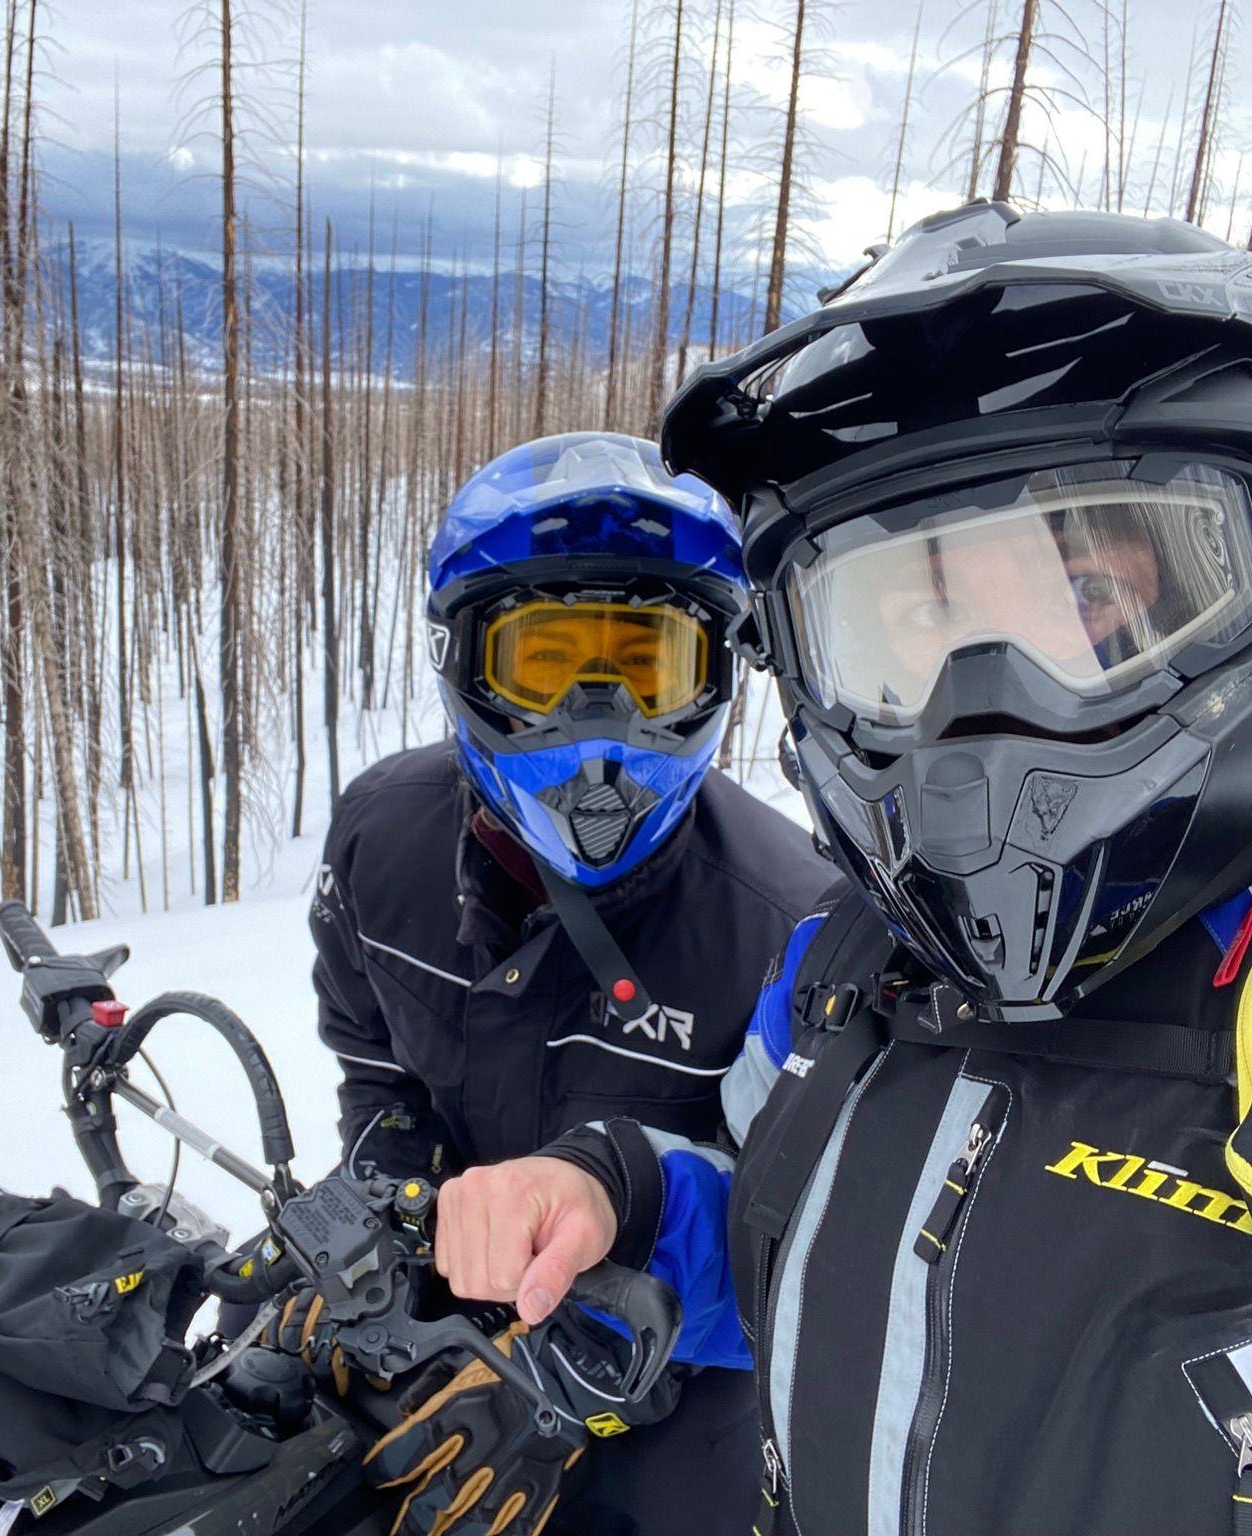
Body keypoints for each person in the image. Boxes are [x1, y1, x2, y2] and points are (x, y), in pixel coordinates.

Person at [420, 205, 1252, 1536]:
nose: (982, 708)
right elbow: (765, 1222)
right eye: (910, 619)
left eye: (1091, 605)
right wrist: (613, 1198)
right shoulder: (844, 959)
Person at [307, 432, 831, 1535]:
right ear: (465, 664)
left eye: (647, 666)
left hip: (677, 1395)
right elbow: (371, 1069)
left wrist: (565, 1373)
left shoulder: (795, 925)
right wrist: (386, 1214)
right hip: (439, 1337)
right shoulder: (381, 844)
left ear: (717, 678)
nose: (602, 723)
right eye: (545, 665)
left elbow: (805, 1251)